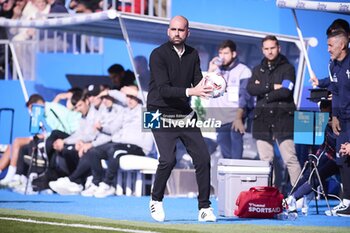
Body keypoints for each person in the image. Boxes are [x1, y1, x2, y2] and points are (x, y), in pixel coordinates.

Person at [146, 15, 216, 222]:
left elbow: (198, 82)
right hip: (156, 111)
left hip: (183, 111)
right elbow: (164, 89)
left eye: (181, 30)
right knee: (168, 159)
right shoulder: (157, 54)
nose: (177, 33)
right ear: (168, 31)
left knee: (203, 158)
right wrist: (192, 91)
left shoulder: (193, 54)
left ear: (187, 32)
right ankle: (156, 200)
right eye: (173, 30)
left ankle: (204, 208)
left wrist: (214, 83)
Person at [247, 35, 301, 188]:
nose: (270, 51)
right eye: (266, 48)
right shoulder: (257, 69)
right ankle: (270, 194)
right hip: (262, 120)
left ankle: (300, 196)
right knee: (266, 161)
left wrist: (263, 90)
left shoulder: (288, 68)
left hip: (283, 119)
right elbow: (251, 89)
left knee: (290, 158)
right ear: (262, 50)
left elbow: (286, 91)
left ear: (279, 48)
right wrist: (272, 86)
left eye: (272, 48)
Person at [286, 100, 339, 216]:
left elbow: (338, 143)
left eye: (327, 113)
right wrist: (316, 158)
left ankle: (294, 197)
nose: (325, 116)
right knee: (312, 172)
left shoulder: (341, 123)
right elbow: (324, 147)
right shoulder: (325, 125)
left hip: (342, 158)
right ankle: (291, 198)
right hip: (333, 157)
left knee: (321, 172)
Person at [207, 40, 253, 159]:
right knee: (224, 150)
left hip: (235, 117)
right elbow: (205, 90)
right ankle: (228, 176)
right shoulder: (216, 70)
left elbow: (244, 96)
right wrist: (211, 70)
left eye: (226, 53)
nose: (222, 56)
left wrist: (238, 117)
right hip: (219, 118)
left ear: (234, 54)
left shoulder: (243, 71)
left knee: (235, 152)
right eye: (220, 53)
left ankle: (236, 174)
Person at [325, 28, 350, 217]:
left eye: (330, 45)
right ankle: (347, 202)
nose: (328, 49)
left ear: (342, 45)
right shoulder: (332, 65)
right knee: (343, 159)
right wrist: (334, 116)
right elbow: (335, 92)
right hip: (343, 121)